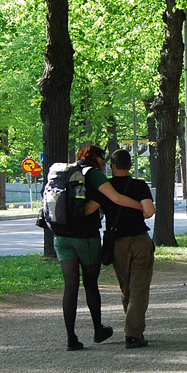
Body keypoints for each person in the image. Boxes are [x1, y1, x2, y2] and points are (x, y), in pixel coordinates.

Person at [50, 144, 144, 351]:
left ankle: (71, 338)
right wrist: (141, 207)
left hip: (61, 236)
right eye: (103, 158)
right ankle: (97, 329)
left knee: (70, 286)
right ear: (96, 158)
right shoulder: (93, 174)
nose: (105, 163)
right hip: (85, 237)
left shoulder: (66, 172)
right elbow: (116, 198)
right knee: (91, 284)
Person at [101, 149, 157, 349]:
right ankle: (133, 334)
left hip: (117, 243)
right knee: (139, 288)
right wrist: (139, 208)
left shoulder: (105, 187)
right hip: (140, 241)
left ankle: (133, 328)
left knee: (127, 289)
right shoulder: (139, 185)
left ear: (112, 166)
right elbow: (149, 211)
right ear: (130, 166)